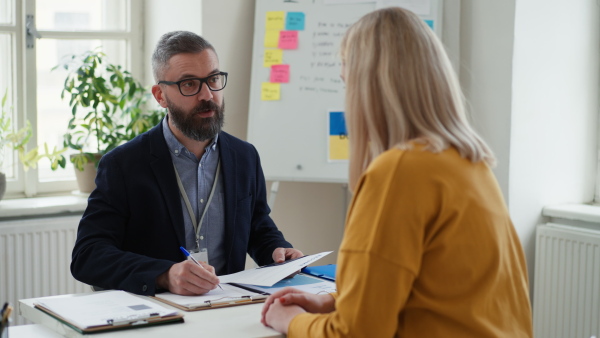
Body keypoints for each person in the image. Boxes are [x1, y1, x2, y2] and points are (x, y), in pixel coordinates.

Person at [261, 7, 533, 337]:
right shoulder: (469, 162)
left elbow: (356, 333)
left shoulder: (398, 172)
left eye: (346, 83)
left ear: (366, 89)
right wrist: (334, 302)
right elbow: (439, 292)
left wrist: (290, 320)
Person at [71, 31, 303, 296]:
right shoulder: (123, 165)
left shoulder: (244, 156)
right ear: (160, 96)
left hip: (226, 308)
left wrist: (277, 251)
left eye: (213, 79)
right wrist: (164, 275)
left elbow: (258, 227)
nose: (207, 95)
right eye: (189, 84)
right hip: (158, 315)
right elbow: (88, 256)